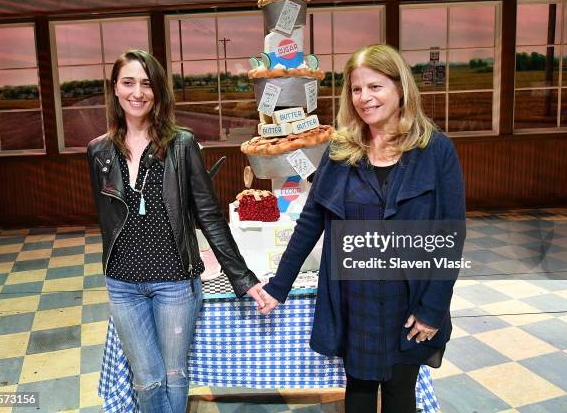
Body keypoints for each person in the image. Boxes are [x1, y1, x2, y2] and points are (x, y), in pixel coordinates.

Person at [258, 44, 466, 412]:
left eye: (376, 87)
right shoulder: (341, 150)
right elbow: (310, 222)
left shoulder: (435, 150)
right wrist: (279, 286)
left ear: (399, 88)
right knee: (359, 393)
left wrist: (433, 308)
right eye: (356, 89)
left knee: (402, 395)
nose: (364, 98)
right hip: (357, 299)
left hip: (410, 297)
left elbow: (450, 235)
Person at [87, 50, 265, 413]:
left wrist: (243, 278)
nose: (138, 92)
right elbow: (108, 222)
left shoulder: (181, 145)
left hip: (174, 282)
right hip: (123, 284)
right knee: (146, 378)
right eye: (128, 82)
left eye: (147, 84)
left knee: (174, 373)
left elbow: (210, 217)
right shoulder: (99, 152)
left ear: (158, 93)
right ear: (115, 90)